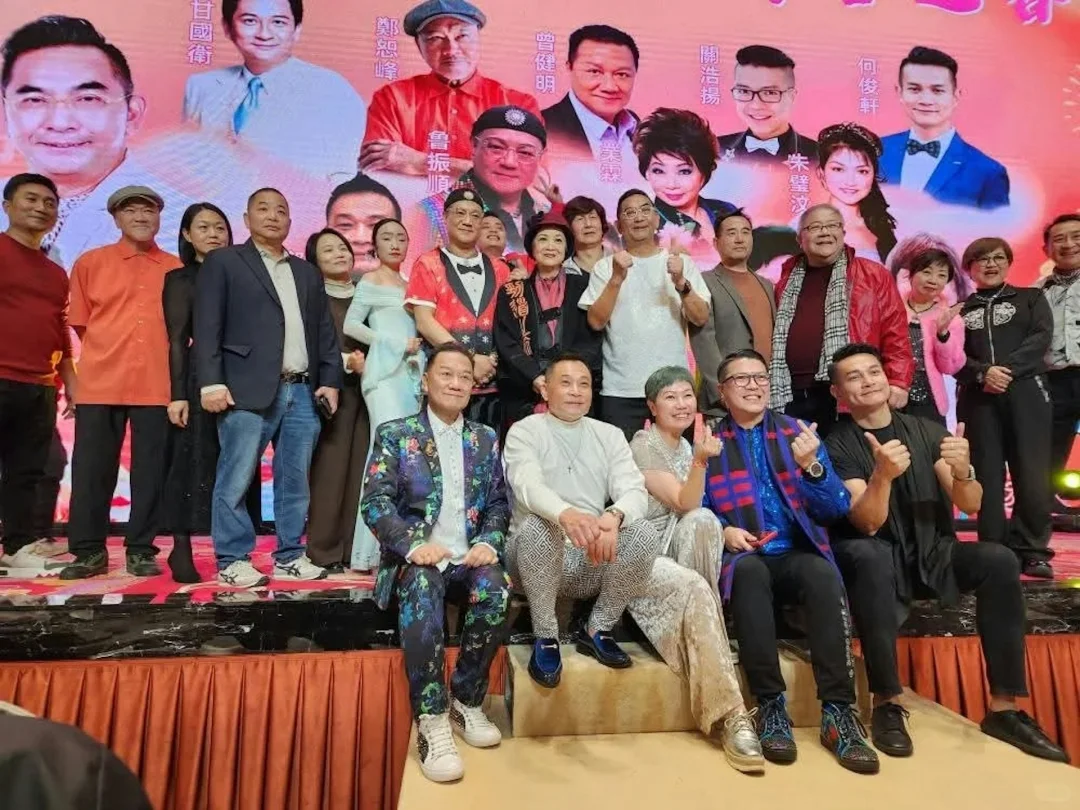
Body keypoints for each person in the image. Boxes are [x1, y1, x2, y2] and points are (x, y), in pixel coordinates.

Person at [825, 343, 1068, 764]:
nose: (868, 382)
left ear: (886, 376)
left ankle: (1004, 709)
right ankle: (886, 702)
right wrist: (882, 476)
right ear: (838, 392)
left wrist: (963, 471)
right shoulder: (837, 444)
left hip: (932, 551)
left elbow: (969, 503)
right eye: (854, 377)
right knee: (869, 557)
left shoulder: (927, 430)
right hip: (877, 553)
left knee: (999, 560)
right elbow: (868, 522)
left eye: (873, 371)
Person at [702, 349, 875, 774]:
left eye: (760, 377)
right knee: (748, 574)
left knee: (821, 573)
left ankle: (838, 712)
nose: (753, 385)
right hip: (744, 554)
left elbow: (836, 508)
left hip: (797, 550)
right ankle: (770, 706)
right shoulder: (709, 441)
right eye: (741, 379)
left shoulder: (798, 433)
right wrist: (722, 530)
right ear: (723, 392)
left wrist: (812, 467)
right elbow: (694, 505)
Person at [360, 342, 510, 783]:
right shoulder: (396, 434)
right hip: (416, 561)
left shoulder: (485, 438)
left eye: (465, 376)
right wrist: (411, 545)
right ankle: (432, 718)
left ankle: (466, 700)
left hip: (467, 560)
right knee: (423, 582)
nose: (456, 383)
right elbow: (375, 502)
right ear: (425, 381)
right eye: (446, 374)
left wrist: (489, 541)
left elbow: (498, 503)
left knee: (497, 587)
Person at [194, 188, 341, 587]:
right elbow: (207, 324)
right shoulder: (225, 261)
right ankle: (232, 559)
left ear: (291, 221)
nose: (273, 216)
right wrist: (211, 382)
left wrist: (330, 380)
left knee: (295, 480)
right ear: (246, 219)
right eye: (263, 209)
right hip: (245, 387)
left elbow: (324, 332)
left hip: (302, 390)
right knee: (236, 476)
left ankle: (290, 554)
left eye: (281, 210)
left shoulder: (306, 273)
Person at [627, 367, 764, 773]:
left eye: (687, 395)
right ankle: (732, 715)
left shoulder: (688, 446)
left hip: (680, 552)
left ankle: (706, 632)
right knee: (696, 567)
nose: (682, 404)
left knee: (707, 522)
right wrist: (702, 461)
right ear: (652, 407)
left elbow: (700, 512)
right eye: (670, 397)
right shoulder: (643, 445)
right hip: (645, 556)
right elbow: (683, 502)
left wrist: (728, 530)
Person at [504, 354, 660, 680]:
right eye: (566, 383)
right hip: (533, 559)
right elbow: (527, 485)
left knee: (643, 531)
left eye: (584, 384)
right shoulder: (525, 431)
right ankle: (546, 635)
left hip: (589, 555)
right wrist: (565, 515)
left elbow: (635, 490)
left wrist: (614, 516)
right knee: (539, 524)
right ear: (545, 390)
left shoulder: (609, 434)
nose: (576, 391)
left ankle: (598, 628)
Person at [0, 16, 187, 269]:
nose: (60, 123)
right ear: (6, 113)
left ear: (132, 114)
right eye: (34, 100)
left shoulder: (176, 216)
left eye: (88, 99)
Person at [60, 186, 177, 580]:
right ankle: (88, 551)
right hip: (100, 382)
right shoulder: (91, 262)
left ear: (159, 217)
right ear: (116, 218)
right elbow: (81, 322)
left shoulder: (175, 268)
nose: (141, 217)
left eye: (149, 210)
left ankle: (141, 549)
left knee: (150, 472)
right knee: (92, 471)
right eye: (131, 211)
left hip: (157, 384)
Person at [161, 202, 264, 584]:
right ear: (187, 235)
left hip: (244, 378)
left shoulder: (245, 275)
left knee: (239, 464)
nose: (213, 234)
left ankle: (237, 552)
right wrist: (178, 394)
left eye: (219, 227)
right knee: (191, 462)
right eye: (203, 227)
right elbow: (176, 340)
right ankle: (181, 546)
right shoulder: (180, 279)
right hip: (199, 379)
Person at [182, 0, 367, 182]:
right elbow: (189, 164)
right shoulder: (201, 86)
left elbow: (343, 180)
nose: (264, 34)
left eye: (278, 22)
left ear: (297, 30)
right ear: (227, 27)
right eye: (249, 21)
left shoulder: (333, 91)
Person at [956, 237, 1054, 579]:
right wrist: (982, 373)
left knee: (1032, 474)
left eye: (998, 257)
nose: (991, 264)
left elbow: (1040, 338)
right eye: (981, 259)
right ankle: (993, 550)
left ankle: (1034, 551)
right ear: (969, 269)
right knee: (986, 475)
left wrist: (1005, 371)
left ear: (1009, 262)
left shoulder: (1031, 298)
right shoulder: (959, 310)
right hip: (978, 397)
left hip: (1027, 392)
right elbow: (951, 357)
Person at [769, 204, 913, 436]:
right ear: (800, 239)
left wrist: (898, 381)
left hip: (850, 392)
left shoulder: (873, 274)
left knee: (852, 457)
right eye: (815, 227)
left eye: (832, 225)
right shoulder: (785, 280)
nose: (825, 232)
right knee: (800, 458)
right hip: (791, 394)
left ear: (843, 233)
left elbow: (895, 332)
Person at [579, 189, 711, 439]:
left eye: (645, 210)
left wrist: (681, 283)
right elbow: (595, 322)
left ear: (657, 219)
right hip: (620, 390)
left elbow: (700, 317)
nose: (638, 217)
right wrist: (616, 278)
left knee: (677, 462)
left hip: (673, 389)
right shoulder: (605, 268)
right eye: (629, 213)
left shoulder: (681, 264)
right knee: (622, 462)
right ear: (619, 225)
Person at [361, 0, 540, 176]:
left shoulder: (519, 105)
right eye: (435, 38)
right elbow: (378, 169)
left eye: (462, 36)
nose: (451, 50)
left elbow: (529, 177)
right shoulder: (392, 98)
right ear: (419, 45)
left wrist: (421, 162)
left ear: (478, 39)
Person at [0, 174, 75, 577]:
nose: (41, 208)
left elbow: (58, 329)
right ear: (7, 205)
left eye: (49, 202)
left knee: (27, 471)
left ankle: (16, 548)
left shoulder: (54, 272)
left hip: (40, 384)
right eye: (31, 199)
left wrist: (71, 382)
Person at [343, 218, 424, 570]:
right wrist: (393, 342)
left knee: (408, 459)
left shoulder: (410, 284)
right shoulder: (370, 281)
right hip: (384, 377)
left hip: (410, 375)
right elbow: (351, 325)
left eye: (401, 238)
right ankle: (369, 552)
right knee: (385, 457)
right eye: (387, 238)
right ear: (375, 246)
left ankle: (398, 546)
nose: (394, 243)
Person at [406, 187, 510, 428]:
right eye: (460, 213)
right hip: (446, 383)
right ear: (445, 217)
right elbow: (425, 322)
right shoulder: (427, 263)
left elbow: (508, 325)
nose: (467, 221)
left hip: (493, 383)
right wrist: (470, 361)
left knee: (489, 446)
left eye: (475, 216)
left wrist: (490, 361)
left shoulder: (501, 269)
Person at [302, 229, 371, 572]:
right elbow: (308, 345)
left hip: (369, 391)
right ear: (314, 260)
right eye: (328, 250)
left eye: (342, 248)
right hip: (332, 392)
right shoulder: (312, 297)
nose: (339, 253)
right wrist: (346, 362)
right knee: (330, 471)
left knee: (361, 469)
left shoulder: (365, 292)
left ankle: (353, 550)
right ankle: (324, 550)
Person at [494, 211, 602, 429]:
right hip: (524, 391)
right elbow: (506, 341)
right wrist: (535, 376)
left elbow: (591, 337)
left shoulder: (585, 286)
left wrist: (562, 378)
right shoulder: (512, 291)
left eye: (558, 240)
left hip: (573, 390)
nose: (551, 246)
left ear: (566, 249)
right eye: (543, 239)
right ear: (532, 248)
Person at [880, 47, 1009, 210]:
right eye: (914, 89)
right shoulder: (873, 152)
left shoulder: (987, 172)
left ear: (955, 96)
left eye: (937, 91)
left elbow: (997, 227)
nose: (926, 100)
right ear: (900, 92)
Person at [414, 106, 550, 253]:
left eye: (525, 153)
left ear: (540, 158)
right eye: (496, 147)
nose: (509, 162)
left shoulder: (547, 214)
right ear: (474, 146)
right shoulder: (432, 214)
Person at [690, 210, 775, 421]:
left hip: (766, 396)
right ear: (716, 242)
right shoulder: (704, 281)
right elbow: (703, 342)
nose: (739, 238)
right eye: (731, 233)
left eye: (745, 232)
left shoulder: (767, 285)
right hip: (725, 402)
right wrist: (722, 391)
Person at [634, 108, 737, 255]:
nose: (671, 184)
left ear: (704, 171)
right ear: (647, 173)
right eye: (659, 171)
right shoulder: (645, 228)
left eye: (684, 171)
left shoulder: (727, 211)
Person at [541, 24, 640, 170]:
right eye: (594, 71)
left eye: (622, 74)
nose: (609, 87)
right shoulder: (541, 128)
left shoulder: (639, 128)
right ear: (569, 67)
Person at [1036, 214, 1080, 494]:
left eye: (1077, 237)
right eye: (1059, 239)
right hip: (1055, 381)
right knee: (1050, 449)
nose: (1069, 244)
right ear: (1047, 249)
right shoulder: (1036, 291)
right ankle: (1045, 507)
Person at [897, 247, 965, 425]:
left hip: (929, 401)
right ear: (911, 275)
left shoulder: (950, 318)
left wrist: (943, 334)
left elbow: (950, 368)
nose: (933, 280)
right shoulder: (891, 308)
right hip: (891, 395)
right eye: (927, 272)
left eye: (942, 275)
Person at [718, 46, 818, 164]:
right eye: (744, 91)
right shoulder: (714, 150)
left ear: (791, 97)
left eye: (769, 93)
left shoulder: (820, 156)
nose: (756, 105)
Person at [816, 123, 897, 263]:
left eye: (862, 171)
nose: (850, 181)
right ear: (821, 173)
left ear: (873, 176)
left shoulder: (882, 227)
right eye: (838, 169)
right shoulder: (804, 226)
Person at [325, 174, 402, 276]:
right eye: (345, 224)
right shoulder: (306, 285)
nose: (360, 239)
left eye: (376, 225)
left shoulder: (418, 286)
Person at [561, 195, 610, 274]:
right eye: (580, 219)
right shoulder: (561, 272)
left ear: (602, 224)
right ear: (569, 228)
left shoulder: (620, 263)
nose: (588, 224)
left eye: (592, 217)